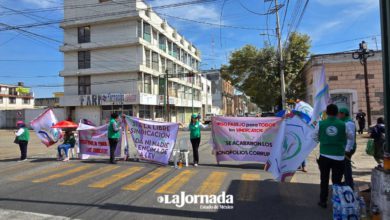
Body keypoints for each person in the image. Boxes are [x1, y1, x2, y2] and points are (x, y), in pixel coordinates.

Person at [312, 104, 354, 208]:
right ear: (336, 113)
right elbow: (351, 137)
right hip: (339, 157)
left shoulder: (320, 124)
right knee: (337, 181)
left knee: (324, 179)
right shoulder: (344, 124)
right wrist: (347, 149)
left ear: (326, 112)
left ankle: (323, 201)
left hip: (324, 156)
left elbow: (314, 136)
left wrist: (320, 139)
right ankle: (337, 202)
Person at [338, 107, 357, 190]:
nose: (338, 115)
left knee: (346, 167)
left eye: (339, 113)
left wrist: (347, 150)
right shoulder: (344, 122)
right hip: (345, 148)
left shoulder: (349, 123)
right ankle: (347, 183)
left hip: (348, 149)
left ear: (343, 114)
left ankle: (349, 185)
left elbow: (351, 139)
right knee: (343, 166)